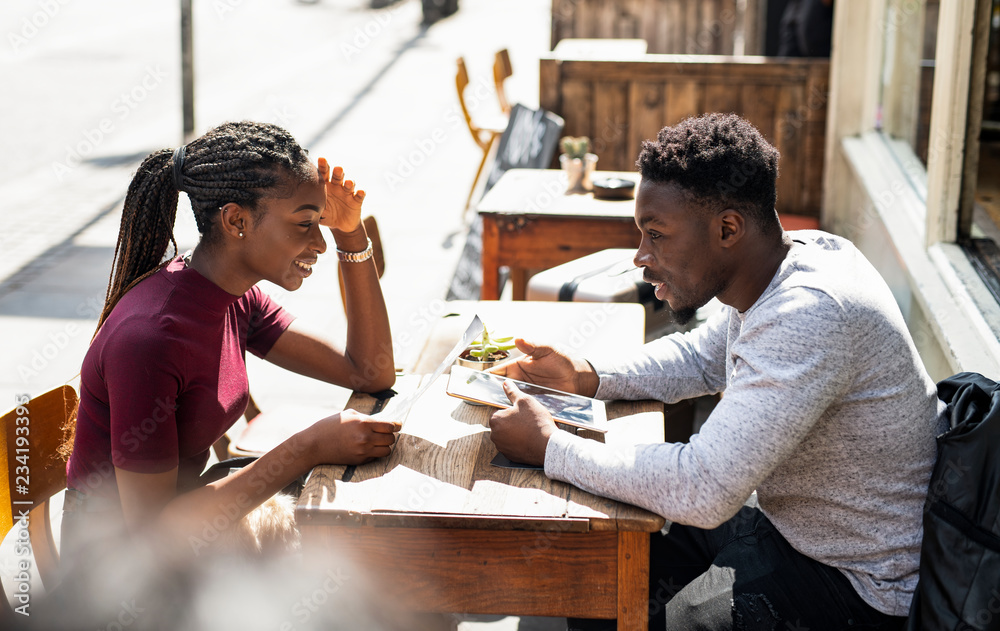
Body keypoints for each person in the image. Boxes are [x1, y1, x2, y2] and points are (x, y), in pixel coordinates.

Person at [488, 113, 944, 630]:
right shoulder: (792, 258)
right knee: (604, 574)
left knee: (662, 615)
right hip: (791, 525)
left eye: (656, 235)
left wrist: (550, 446)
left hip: (856, 583)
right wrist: (586, 375)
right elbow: (703, 357)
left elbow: (702, 489)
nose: (641, 256)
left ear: (728, 228)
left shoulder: (811, 312)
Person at [61, 121, 399, 562]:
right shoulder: (150, 339)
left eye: (321, 224)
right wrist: (308, 446)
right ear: (236, 220)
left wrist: (351, 234)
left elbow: (368, 371)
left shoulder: (238, 299)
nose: (318, 241)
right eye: (304, 223)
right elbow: (153, 536)